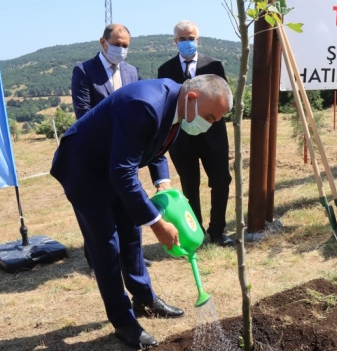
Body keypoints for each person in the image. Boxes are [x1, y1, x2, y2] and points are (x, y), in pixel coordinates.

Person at [50, 74, 233, 349]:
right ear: (193, 98)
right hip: (85, 170)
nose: (209, 125)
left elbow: (154, 146)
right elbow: (122, 172)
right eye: (209, 117)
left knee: (131, 235)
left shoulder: (179, 106)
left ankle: (144, 299)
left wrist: (162, 181)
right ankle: (123, 322)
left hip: (115, 168)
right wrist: (157, 223)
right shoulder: (145, 104)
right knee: (106, 247)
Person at [70, 24, 155, 269]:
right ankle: (98, 260)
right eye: (117, 44)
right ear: (103, 42)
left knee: (127, 207)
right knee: (99, 209)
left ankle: (132, 257)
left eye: (125, 46)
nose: (121, 49)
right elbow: (83, 114)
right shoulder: (85, 71)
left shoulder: (131, 71)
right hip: (97, 152)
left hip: (125, 153)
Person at [157, 20, 234, 247]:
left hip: (214, 137)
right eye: (183, 39)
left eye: (191, 38)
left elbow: (223, 99)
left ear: (198, 40)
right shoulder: (166, 69)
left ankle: (218, 231)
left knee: (221, 181)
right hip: (182, 139)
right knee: (190, 186)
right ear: (175, 42)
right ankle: (196, 232)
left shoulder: (214, 65)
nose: (187, 42)